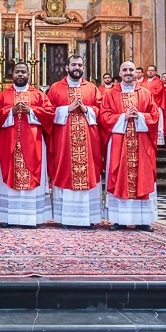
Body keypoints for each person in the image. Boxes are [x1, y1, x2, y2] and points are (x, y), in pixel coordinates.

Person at [100, 61, 160, 231]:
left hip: (141, 143)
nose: (128, 72)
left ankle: (143, 220)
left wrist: (140, 116)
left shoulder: (146, 93)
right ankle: (120, 219)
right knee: (119, 175)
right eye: (124, 69)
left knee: (142, 175)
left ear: (136, 73)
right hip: (120, 143)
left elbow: (154, 115)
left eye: (131, 70)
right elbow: (104, 116)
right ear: (119, 72)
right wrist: (123, 117)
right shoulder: (111, 94)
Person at [0, 62, 54, 227]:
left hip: (33, 144)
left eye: (23, 72)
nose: (20, 75)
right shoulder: (3, 96)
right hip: (9, 145)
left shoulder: (39, 95)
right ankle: (7, 217)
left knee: (32, 175)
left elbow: (50, 114)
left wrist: (32, 111)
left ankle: (32, 217)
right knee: (9, 175)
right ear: (12, 74)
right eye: (17, 72)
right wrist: (9, 112)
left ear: (29, 74)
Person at [47, 55, 102, 229]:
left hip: (88, 142)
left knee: (89, 173)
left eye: (79, 65)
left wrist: (87, 109)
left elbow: (103, 111)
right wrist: (66, 109)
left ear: (83, 68)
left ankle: (88, 218)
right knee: (65, 172)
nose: (76, 67)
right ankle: (65, 218)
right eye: (73, 64)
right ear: (66, 67)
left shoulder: (92, 88)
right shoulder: (56, 88)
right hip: (64, 142)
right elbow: (47, 112)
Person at [142, 65, 166, 146]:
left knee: (157, 123)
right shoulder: (144, 82)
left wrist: (146, 92)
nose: (150, 72)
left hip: (155, 105)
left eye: (152, 70)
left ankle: (158, 141)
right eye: (149, 70)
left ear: (156, 72)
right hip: (145, 107)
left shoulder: (158, 81)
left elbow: (157, 93)